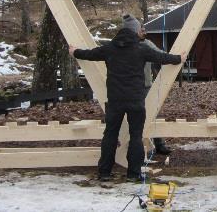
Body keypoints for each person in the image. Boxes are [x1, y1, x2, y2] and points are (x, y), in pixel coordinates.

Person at [69, 16, 186, 181]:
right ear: (136, 31)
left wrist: (74, 52)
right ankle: (133, 174)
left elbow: (89, 54)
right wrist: (179, 59)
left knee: (110, 135)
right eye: (139, 29)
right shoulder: (141, 49)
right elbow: (163, 58)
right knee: (136, 136)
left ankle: (104, 173)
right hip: (135, 101)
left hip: (115, 101)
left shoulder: (110, 48)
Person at [125, 14, 172, 156]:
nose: (145, 32)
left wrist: (176, 58)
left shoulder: (147, 44)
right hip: (129, 88)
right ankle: (139, 145)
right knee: (134, 117)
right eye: (141, 30)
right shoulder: (122, 45)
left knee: (153, 114)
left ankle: (159, 144)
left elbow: (161, 55)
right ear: (134, 31)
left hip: (146, 86)